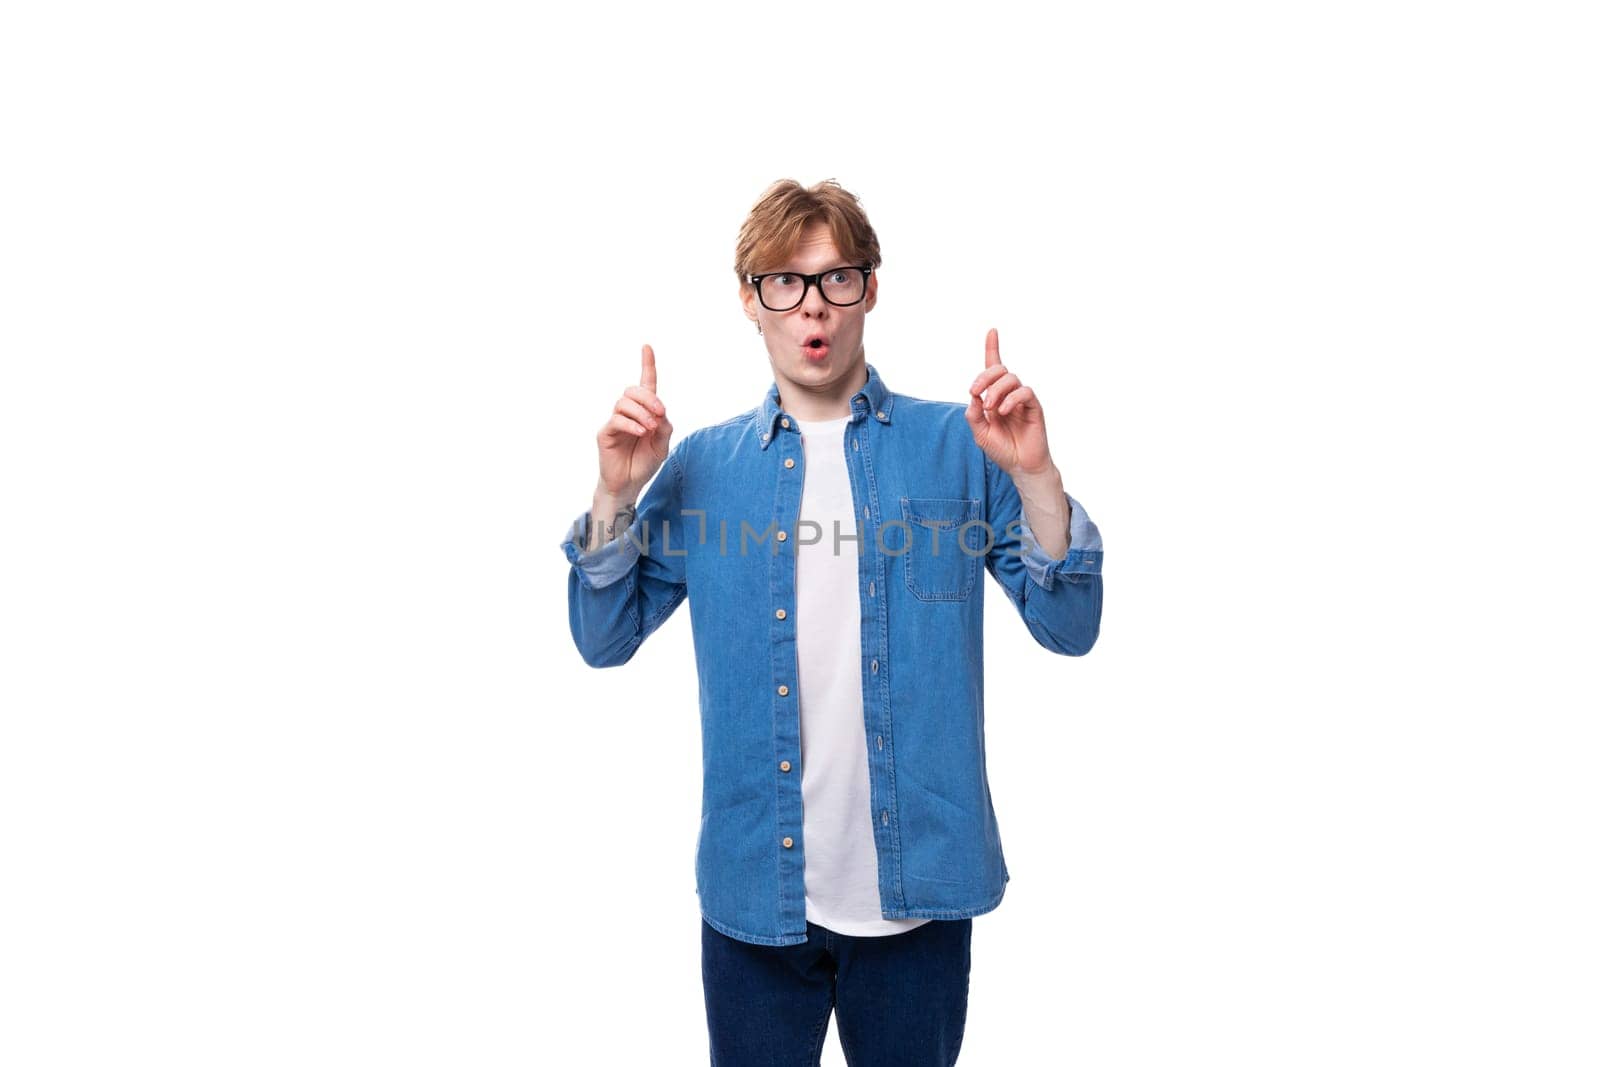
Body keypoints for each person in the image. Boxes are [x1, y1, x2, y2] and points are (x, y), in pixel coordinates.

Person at [559, 178, 1104, 1065]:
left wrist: (1038, 477)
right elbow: (602, 637)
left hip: (918, 897)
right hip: (754, 899)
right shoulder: (705, 467)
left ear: (870, 289)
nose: (812, 305)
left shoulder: (959, 445)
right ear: (751, 299)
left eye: (836, 279)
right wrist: (614, 495)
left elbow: (1070, 625)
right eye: (785, 281)